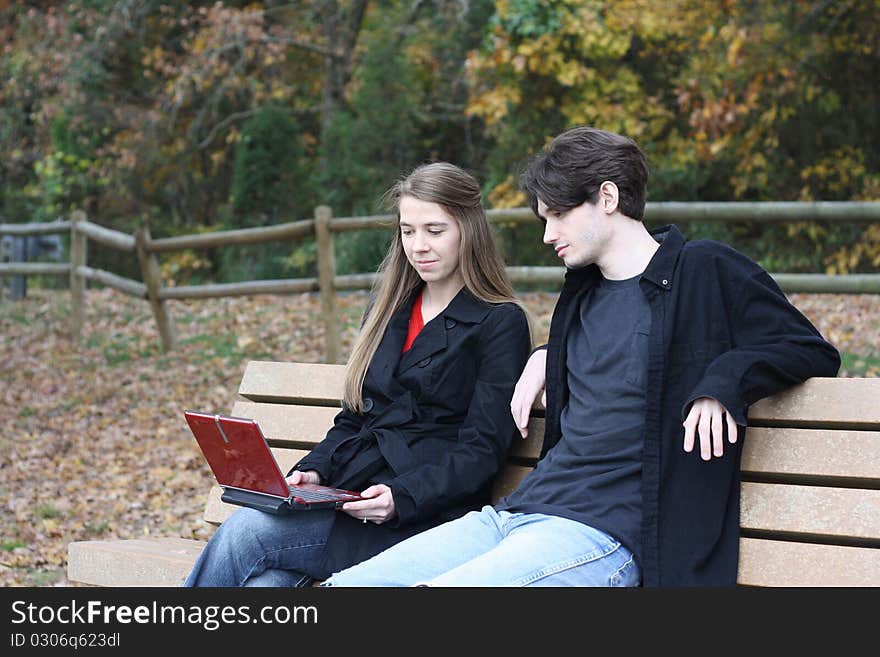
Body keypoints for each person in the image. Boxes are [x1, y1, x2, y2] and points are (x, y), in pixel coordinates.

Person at [323, 126, 841, 587]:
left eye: (558, 216)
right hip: (517, 514)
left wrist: (722, 383)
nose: (548, 235)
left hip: (606, 533)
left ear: (608, 197)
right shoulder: (582, 293)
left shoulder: (702, 269)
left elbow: (808, 348)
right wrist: (550, 352)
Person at [183, 162, 532, 586]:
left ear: (469, 229)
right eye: (408, 231)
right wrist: (314, 472)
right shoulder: (388, 308)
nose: (419, 245)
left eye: (435, 231)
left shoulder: (498, 322)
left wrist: (401, 498)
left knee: (247, 533)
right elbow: (354, 418)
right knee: (265, 584)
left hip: (421, 519)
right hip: (351, 497)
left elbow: (482, 451)